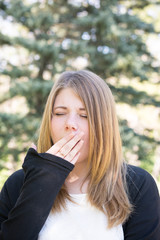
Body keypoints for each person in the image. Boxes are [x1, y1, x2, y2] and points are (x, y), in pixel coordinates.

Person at [0, 70, 160, 240]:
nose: (70, 124)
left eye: (84, 115)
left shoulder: (138, 185)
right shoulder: (19, 184)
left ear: (104, 124)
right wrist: (42, 181)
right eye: (60, 113)